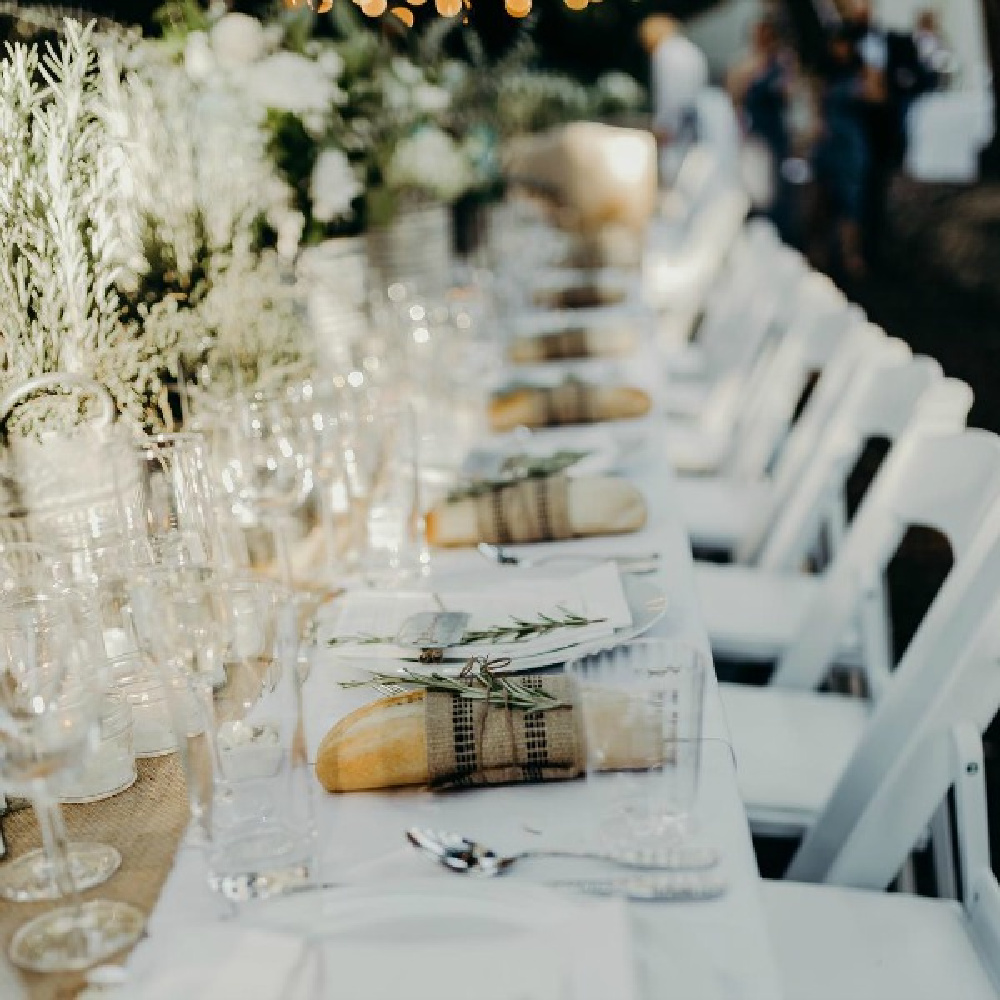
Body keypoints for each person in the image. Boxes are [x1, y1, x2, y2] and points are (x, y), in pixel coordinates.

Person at [844, 0, 934, 267]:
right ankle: (858, 249)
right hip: (855, 128)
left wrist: (893, 90)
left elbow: (922, 79)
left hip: (887, 126)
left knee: (883, 187)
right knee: (857, 189)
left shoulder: (896, 41)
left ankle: (883, 247)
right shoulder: (841, 43)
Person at [811, 26, 871, 277]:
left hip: (850, 142)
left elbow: (874, 99)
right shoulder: (826, 76)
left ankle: (851, 254)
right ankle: (822, 253)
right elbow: (817, 108)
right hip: (829, 140)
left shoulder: (860, 73)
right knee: (823, 199)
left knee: (850, 200)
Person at [729, 17, 796, 240]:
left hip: (773, 133)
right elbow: (734, 92)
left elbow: (788, 96)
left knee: (775, 188)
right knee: (753, 186)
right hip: (753, 133)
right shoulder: (748, 63)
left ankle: (777, 234)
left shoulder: (782, 63)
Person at [639, 15, 708, 163]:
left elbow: (668, 93)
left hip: (675, 124)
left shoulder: (665, 53)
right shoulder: (689, 49)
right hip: (694, 118)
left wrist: (663, 124)